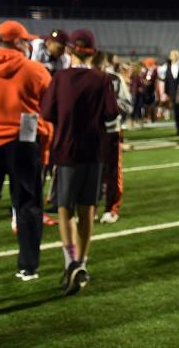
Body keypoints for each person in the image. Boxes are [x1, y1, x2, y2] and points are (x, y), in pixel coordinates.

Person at [41, 29, 119, 295]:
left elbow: (48, 113)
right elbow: (111, 114)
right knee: (87, 210)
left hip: (65, 150)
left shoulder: (60, 78)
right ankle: (82, 263)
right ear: (93, 52)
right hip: (94, 151)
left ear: (71, 50)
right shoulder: (103, 79)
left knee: (64, 209)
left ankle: (70, 261)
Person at [0, 20, 52, 281]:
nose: (28, 45)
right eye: (25, 40)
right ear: (16, 42)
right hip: (24, 139)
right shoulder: (35, 70)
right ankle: (27, 266)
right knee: (27, 203)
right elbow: (49, 109)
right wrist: (47, 145)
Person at [94, 51, 133, 223]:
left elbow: (127, 105)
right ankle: (90, 206)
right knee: (89, 171)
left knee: (112, 171)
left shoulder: (114, 79)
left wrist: (109, 107)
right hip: (87, 132)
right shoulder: (80, 78)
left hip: (109, 131)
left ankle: (111, 208)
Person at [160, 49, 179, 142]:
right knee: (176, 112)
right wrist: (166, 92)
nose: (173, 56)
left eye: (174, 55)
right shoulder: (169, 67)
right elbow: (167, 80)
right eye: (172, 55)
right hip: (172, 93)